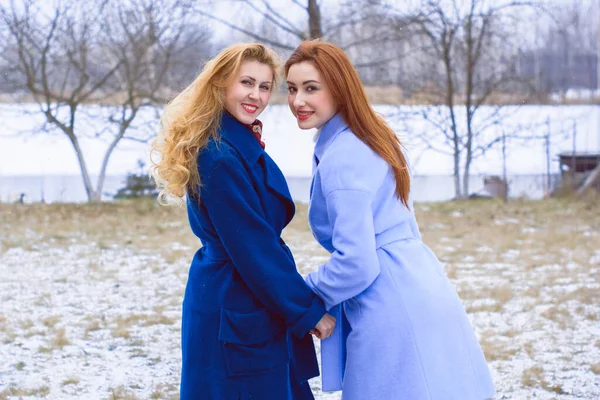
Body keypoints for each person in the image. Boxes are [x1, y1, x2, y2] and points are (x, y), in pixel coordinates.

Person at [284, 40, 496, 400]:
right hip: (419, 281)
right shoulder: (370, 137)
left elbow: (356, 263)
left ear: (339, 88)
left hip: (388, 303)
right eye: (291, 89)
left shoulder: (344, 155)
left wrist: (300, 294)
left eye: (311, 88)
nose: (297, 101)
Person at [150, 43, 335, 400]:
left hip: (241, 298)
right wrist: (308, 312)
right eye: (246, 83)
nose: (256, 95)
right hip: (235, 304)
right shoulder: (219, 156)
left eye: (265, 86)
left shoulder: (232, 140)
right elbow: (254, 249)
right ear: (220, 84)